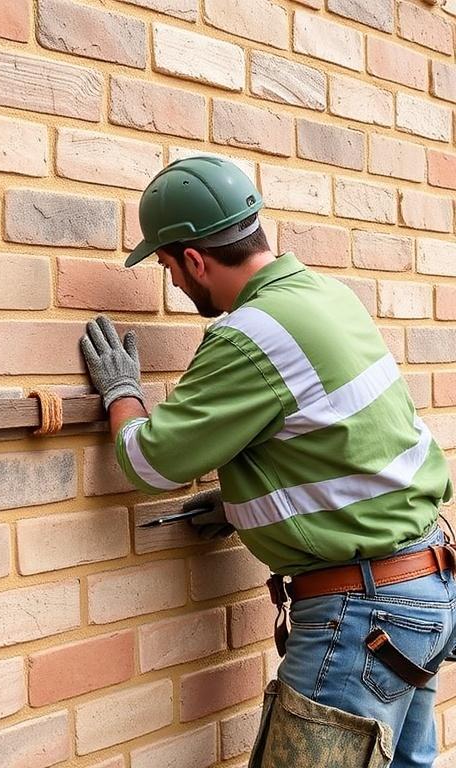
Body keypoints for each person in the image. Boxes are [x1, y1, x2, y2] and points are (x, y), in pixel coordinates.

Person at [80, 155, 456, 768]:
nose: (173, 284)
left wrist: (123, 395)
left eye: (168, 267)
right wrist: (242, 504)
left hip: (363, 611)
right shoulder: (326, 297)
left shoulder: (250, 335)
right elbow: (338, 441)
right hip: (423, 586)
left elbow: (150, 462)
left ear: (194, 260)